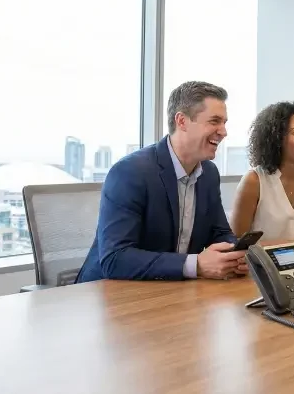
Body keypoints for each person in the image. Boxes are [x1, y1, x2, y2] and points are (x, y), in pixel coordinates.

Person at [76, 81, 246, 282]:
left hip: (170, 291)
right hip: (109, 295)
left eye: (224, 122)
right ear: (182, 121)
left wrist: (233, 254)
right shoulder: (131, 172)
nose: (224, 131)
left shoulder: (208, 173)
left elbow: (219, 232)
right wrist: (196, 265)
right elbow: (115, 259)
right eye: (214, 121)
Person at [230, 101, 294, 257]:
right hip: (260, 272)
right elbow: (236, 243)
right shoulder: (254, 181)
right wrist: (293, 246)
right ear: (276, 139)